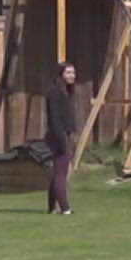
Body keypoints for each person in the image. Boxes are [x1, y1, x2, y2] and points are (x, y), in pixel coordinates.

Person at [44, 61, 77, 215]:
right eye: (68, 73)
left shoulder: (67, 91)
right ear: (61, 74)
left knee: (59, 171)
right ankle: (65, 208)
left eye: (73, 73)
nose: (71, 76)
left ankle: (52, 207)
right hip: (58, 135)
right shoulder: (54, 92)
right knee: (61, 173)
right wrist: (61, 138)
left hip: (66, 133)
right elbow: (55, 117)